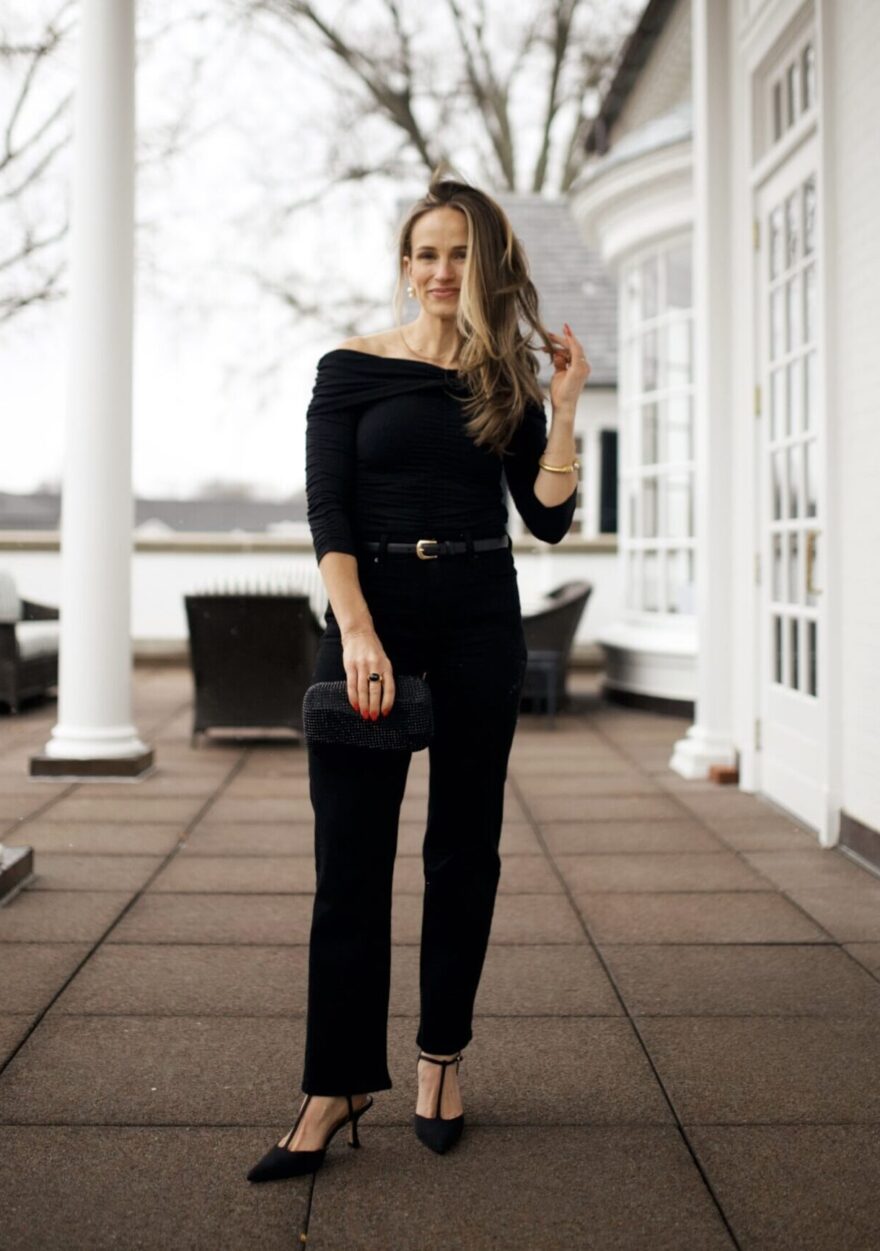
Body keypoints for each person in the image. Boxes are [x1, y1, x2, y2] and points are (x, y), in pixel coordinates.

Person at [247, 171, 589, 1183]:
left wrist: (562, 409)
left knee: (462, 852)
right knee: (348, 865)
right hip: (373, 616)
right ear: (405, 267)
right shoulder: (348, 368)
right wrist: (356, 631)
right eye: (426, 253)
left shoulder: (506, 380)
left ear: (484, 265)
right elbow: (329, 512)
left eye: (459, 253)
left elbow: (549, 516)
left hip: (482, 617)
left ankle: (441, 1060)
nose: (442, 270)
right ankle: (334, 1083)